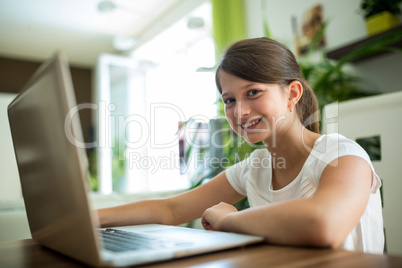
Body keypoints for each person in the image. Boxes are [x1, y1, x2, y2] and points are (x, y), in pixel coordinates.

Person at [97, 37, 384, 254]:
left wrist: (229, 221)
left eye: (254, 92)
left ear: (292, 94)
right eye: (230, 100)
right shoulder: (255, 168)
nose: (240, 111)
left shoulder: (341, 155)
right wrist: (84, 219)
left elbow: (323, 226)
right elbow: (171, 210)